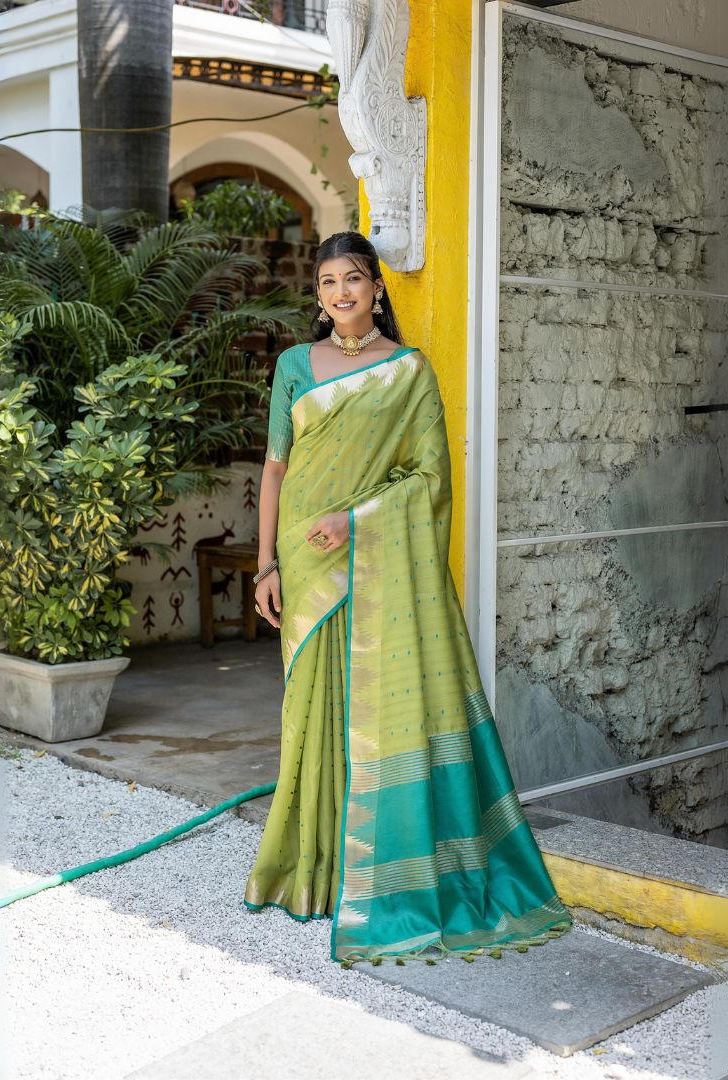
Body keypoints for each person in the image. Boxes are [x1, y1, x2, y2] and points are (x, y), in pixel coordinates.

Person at [244, 230, 571, 966]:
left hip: (366, 552)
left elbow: (429, 482)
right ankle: (315, 869)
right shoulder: (295, 366)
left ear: (378, 288)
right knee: (311, 709)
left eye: (353, 279)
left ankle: (374, 875)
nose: (340, 294)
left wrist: (353, 520)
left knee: (376, 704)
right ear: (318, 296)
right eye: (327, 283)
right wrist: (266, 563)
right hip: (303, 557)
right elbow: (273, 469)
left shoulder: (408, 372)